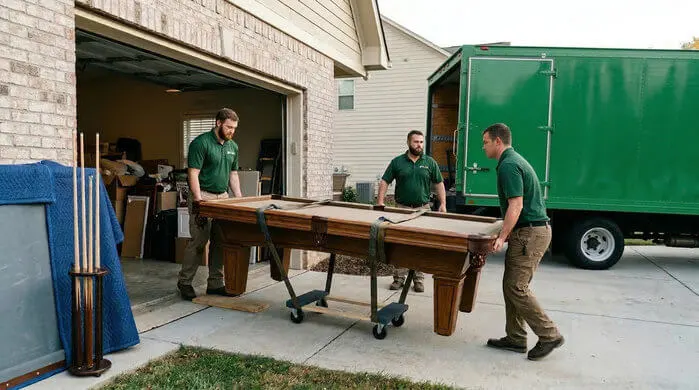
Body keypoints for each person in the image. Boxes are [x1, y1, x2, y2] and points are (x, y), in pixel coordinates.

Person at [481, 123, 564, 361]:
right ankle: (516, 338)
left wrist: (502, 237)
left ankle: (549, 335)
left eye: (485, 142)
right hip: (531, 231)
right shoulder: (513, 160)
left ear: (498, 141)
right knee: (511, 285)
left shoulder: (508, 165)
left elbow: (516, 205)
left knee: (517, 287)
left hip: (530, 234)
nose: (483, 147)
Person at [177, 108, 243, 300]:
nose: (232, 131)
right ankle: (185, 282)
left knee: (220, 241)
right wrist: (198, 200)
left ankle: (215, 284)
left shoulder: (233, 147)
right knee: (198, 241)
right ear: (218, 123)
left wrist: (239, 199)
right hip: (203, 196)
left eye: (234, 128)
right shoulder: (201, 143)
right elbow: (193, 173)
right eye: (229, 127)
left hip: (222, 197)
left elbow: (233, 174)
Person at [377, 130, 446, 293]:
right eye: (416, 142)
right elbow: (385, 181)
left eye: (421, 142)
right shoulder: (397, 162)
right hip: (402, 209)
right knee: (399, 244)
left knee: (420, 244)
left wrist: (443, 203)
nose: (419, 145)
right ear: (408, 143)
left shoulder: (429, 162)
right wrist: (380, 201)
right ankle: (399, 278)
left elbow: (439, 183)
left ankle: (418, 280)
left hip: (423, 209)